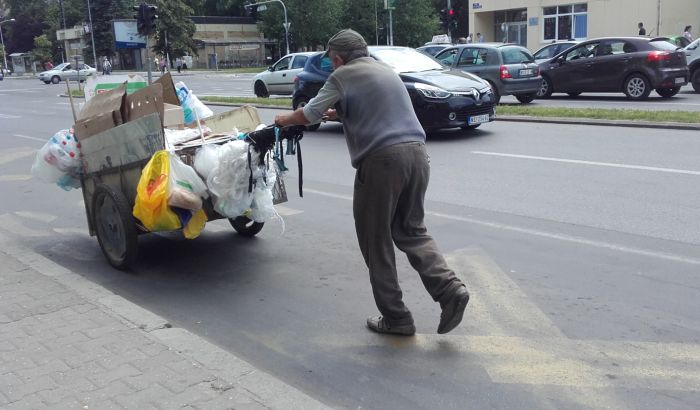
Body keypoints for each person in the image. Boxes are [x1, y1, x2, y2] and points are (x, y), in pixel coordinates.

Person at [273, 29, 470, 336]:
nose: (332, 66)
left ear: (338, 58)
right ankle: (450, 290)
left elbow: (308, 115)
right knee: (411, 230)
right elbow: (377, 108)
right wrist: (338, 113)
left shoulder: (343, 75)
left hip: (382, 162)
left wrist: (284, 119)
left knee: (375, 241)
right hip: (418, 155)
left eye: (331, 61)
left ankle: (397, 318)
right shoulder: (384, 69)